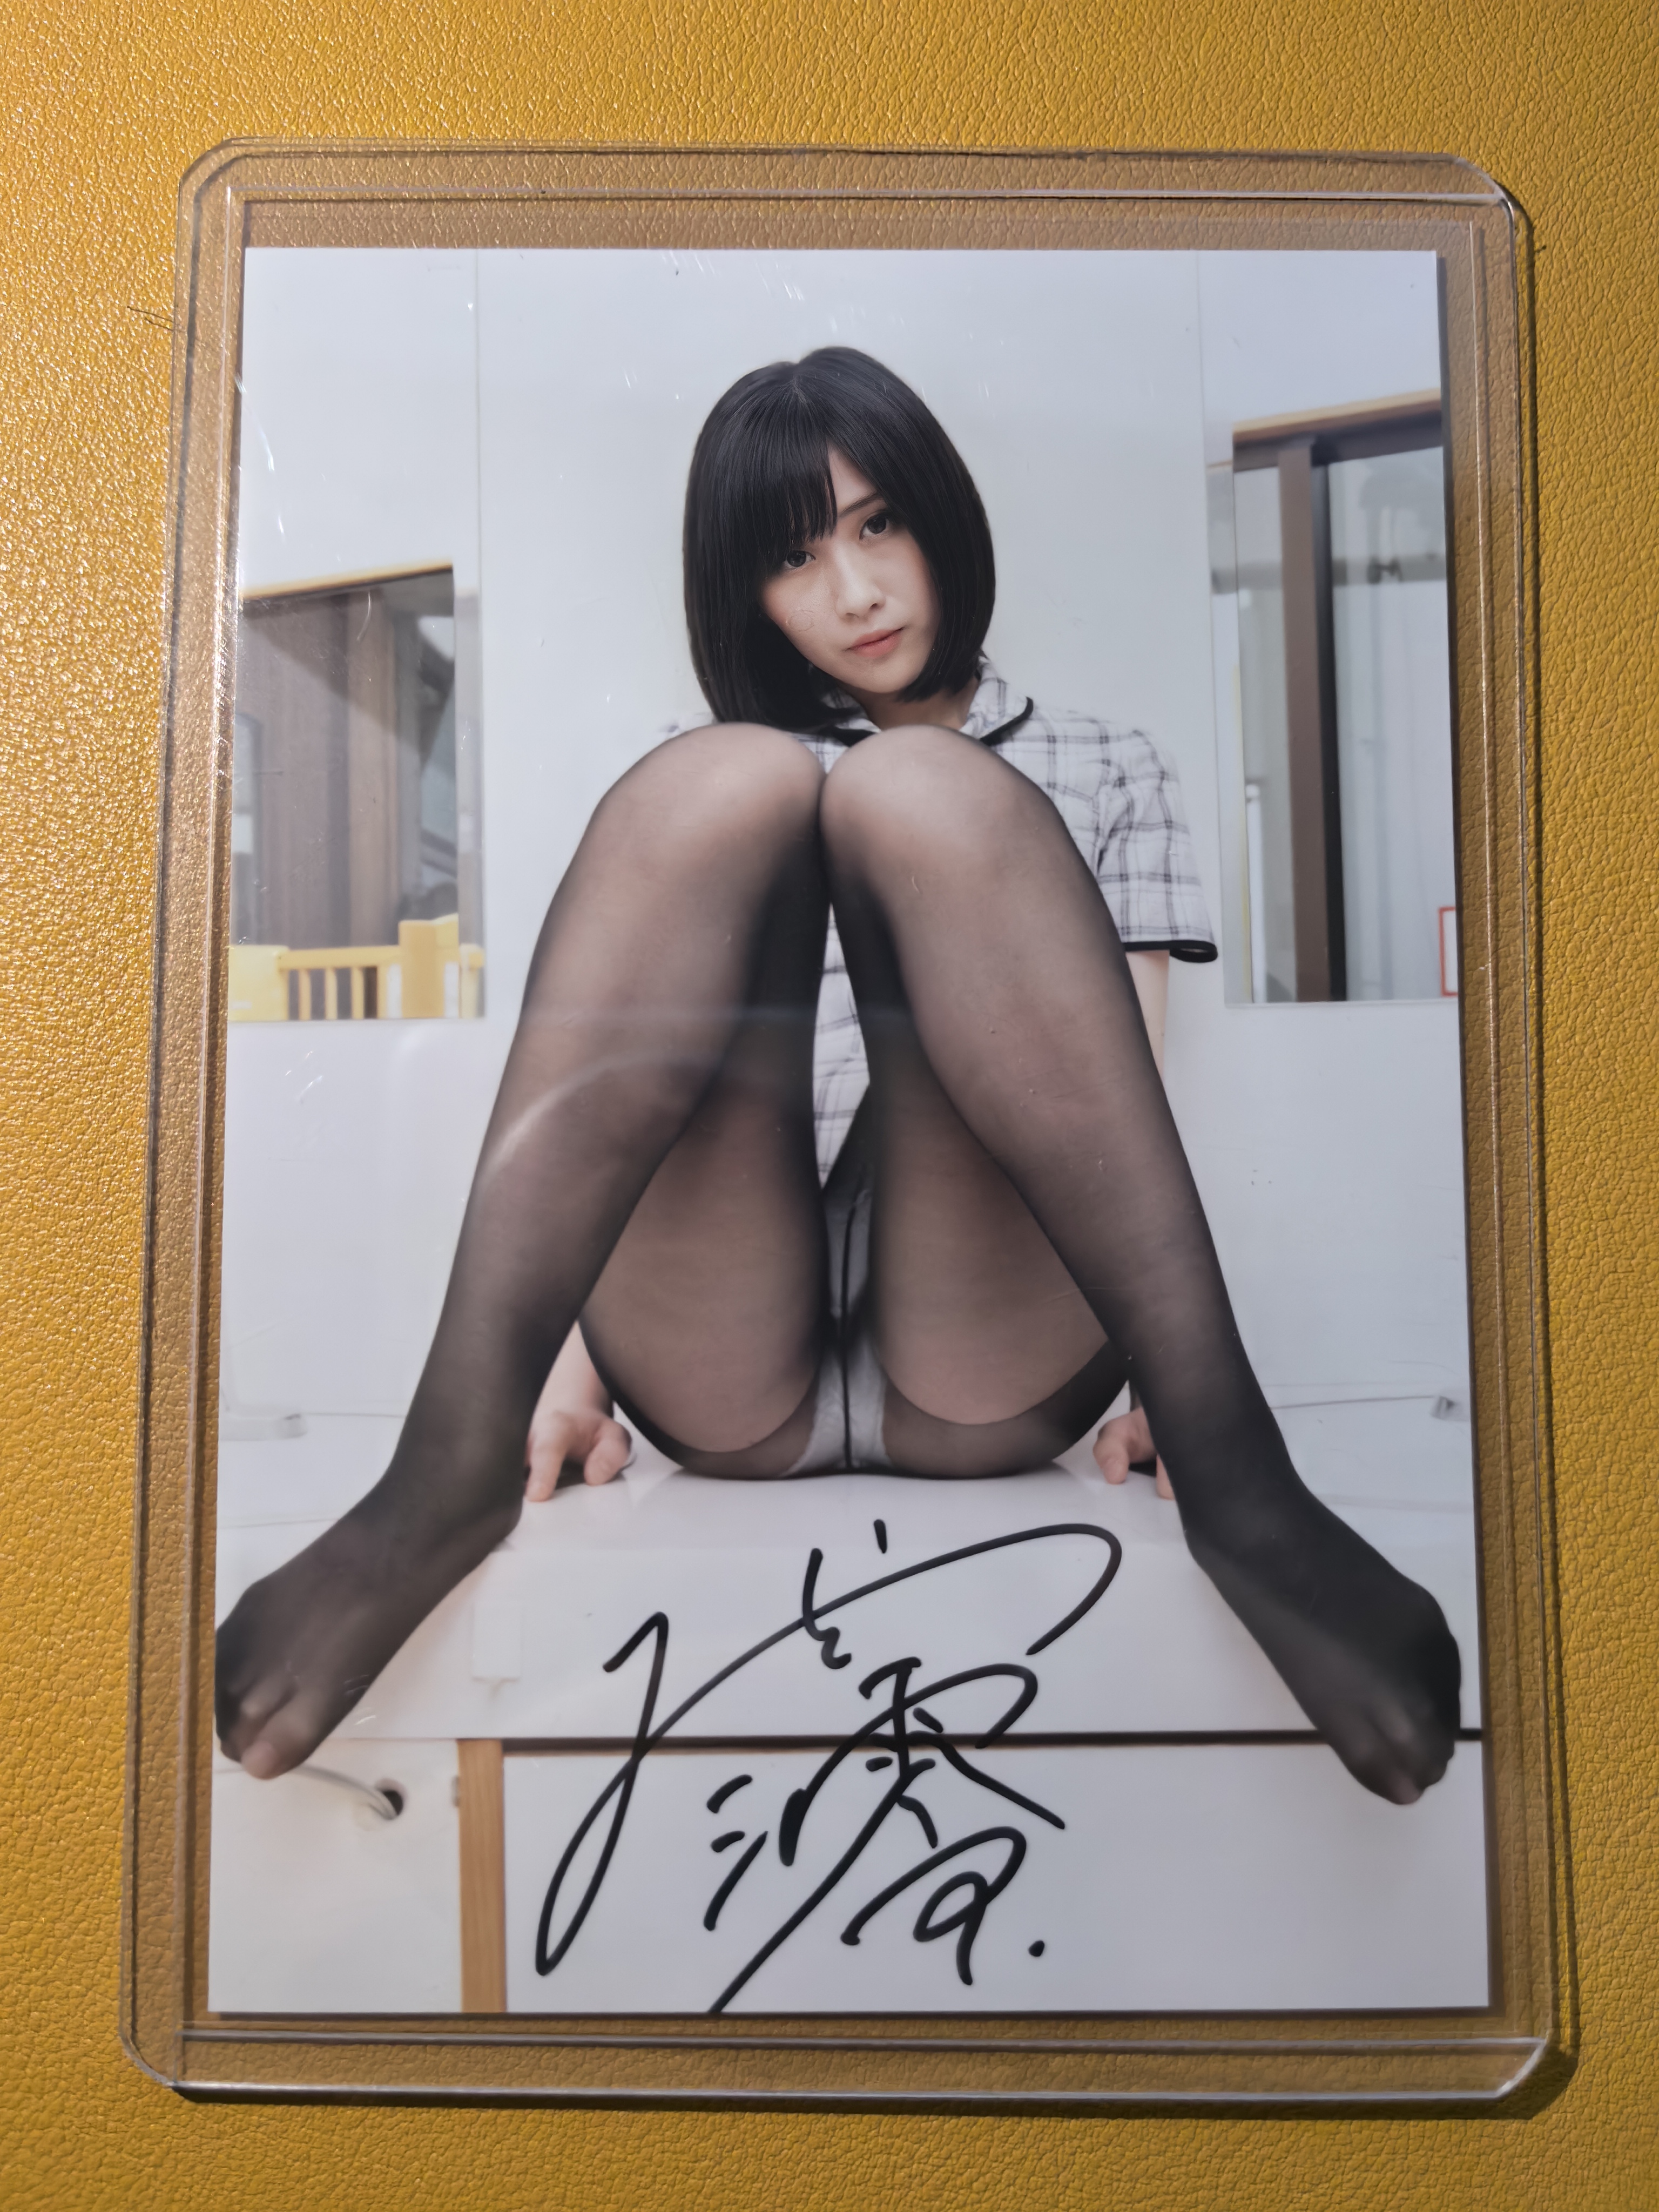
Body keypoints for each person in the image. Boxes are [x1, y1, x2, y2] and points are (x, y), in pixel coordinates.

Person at [217, 347, 1460, 1805]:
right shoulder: (700, 781)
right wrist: (568, 1380)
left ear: (940, 516)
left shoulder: (1105, 763)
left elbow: (1114, 1093)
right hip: (727, 1360)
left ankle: (1247, 1488)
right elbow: (629, 1100)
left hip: (984, 1346)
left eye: (879, 525)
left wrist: (1165, 1401)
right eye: (796, 558)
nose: (855, 593)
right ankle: (446, 1469)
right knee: (720, 779)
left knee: (913, 789)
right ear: (746, 592)